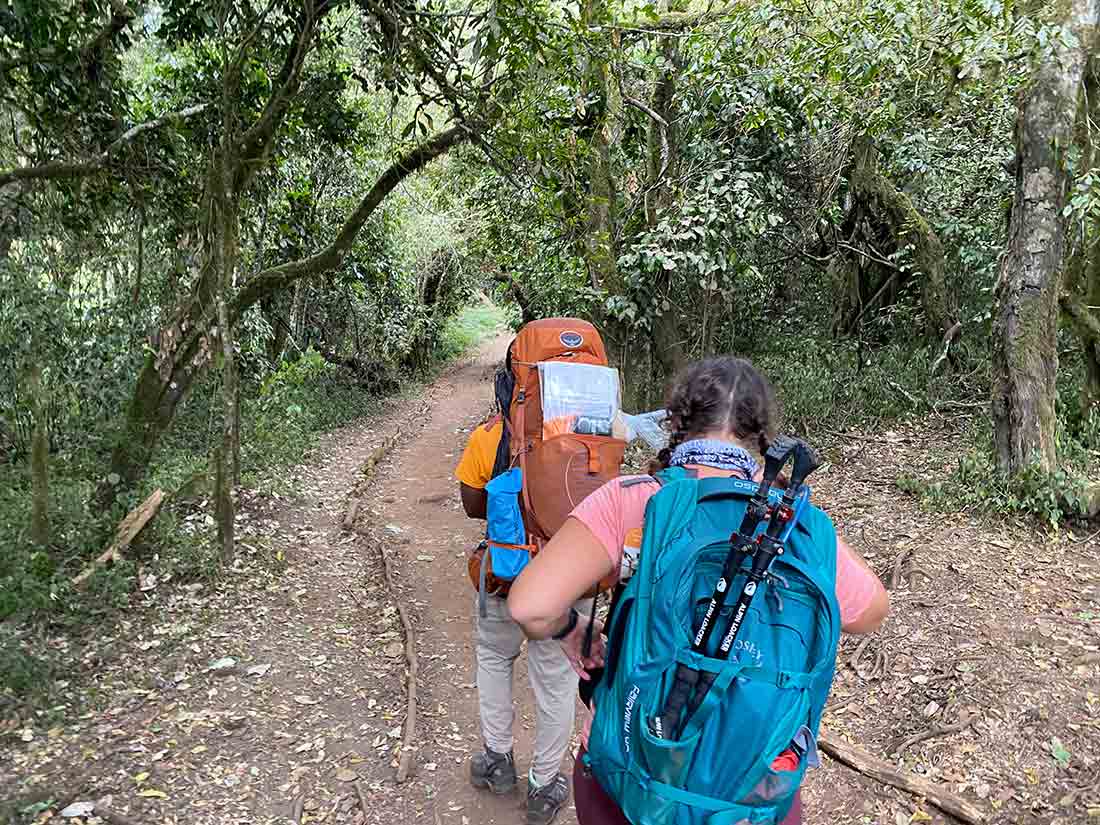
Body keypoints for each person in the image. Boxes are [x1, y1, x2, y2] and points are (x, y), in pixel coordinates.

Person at [506, 356, 890, 825]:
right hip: (750, 790)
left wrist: (573, 630)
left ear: (677, 422)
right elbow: (871, 610)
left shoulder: (634, 499)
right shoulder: (792, 524)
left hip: (630, 776)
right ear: (763, 436)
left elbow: (529, 605)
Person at [454, 350, 575, 825]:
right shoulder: (593, 439)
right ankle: (546, 785)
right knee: (556, 679)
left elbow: (470, 504)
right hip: (567, 573)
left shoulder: (491, 435)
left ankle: (497, 761)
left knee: (494, 657)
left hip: (506, 571)